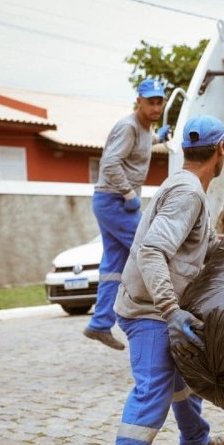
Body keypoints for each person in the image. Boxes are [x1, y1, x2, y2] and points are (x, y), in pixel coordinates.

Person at [107, 115, 224, 445]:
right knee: (152, 394)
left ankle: (195, 443)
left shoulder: (185, 186)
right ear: (221, 149)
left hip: (154, 303)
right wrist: (170, 310)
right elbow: (152, 250)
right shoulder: (188, 192)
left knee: (184, 375)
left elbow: (196, 246)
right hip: (149, 310)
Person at [83, 78, 172, 351]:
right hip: (114, 202)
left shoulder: (145, 130)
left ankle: (99, 324)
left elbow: (139, 149)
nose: (156, 107)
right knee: (150, 249)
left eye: (160, 102)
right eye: (151, 102)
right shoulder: (129, 126)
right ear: (139, 102)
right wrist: (128, 194)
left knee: (113, 268)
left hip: (111, 202)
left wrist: (159, 138)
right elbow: (110, 162)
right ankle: (167, 315)